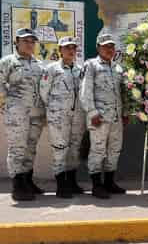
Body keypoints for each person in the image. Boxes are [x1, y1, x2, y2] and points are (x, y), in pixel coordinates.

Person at [80, 34, 128, 199]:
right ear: (98, 48)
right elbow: (85, 90)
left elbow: (122, 93)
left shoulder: (117, 68)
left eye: (112, 46)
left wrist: (125, 113)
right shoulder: (91, 65)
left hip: (116, 117)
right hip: (99, 117)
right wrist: (92, 112)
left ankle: (109, 182)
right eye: (106, 46)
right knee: (98, 150)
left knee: (115, 149)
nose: (109, 49)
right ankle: (96, 185)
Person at [0, 28, 46, 201]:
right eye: (26, 41)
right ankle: (17, 186)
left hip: (36, 114)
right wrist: (6, 101)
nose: (30, 44)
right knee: (17, 149)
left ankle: (27, 180)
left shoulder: (39, 64)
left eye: (32, 41)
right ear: (17, 42)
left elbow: (43, 89)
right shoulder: (8, 62)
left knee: (30, 149)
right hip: (17, 113)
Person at [40, 36, 86, 199]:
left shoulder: (80, 70)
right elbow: (44, 92)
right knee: (60, 149)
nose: (70, 50)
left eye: (73, 47)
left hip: (77, 117)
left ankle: (72, 183)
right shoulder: (51, 69)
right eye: (66, 48)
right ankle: (61, 185)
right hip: (58, 116)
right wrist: (53, 111)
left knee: (74, 149)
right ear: (60, 50)